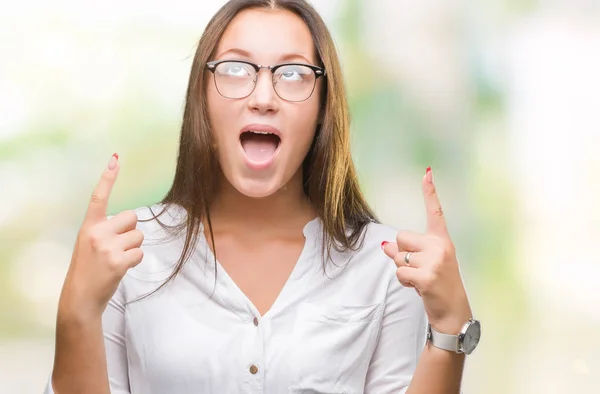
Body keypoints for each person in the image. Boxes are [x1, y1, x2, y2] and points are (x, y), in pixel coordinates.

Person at [46, 0, 481, 393]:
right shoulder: (127, 253)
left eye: (293, 73)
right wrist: (77, 312)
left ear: (322, 110)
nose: (263, 97)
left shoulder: (386, 266)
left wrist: (448, 332)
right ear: (203, 97)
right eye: (236, 68)